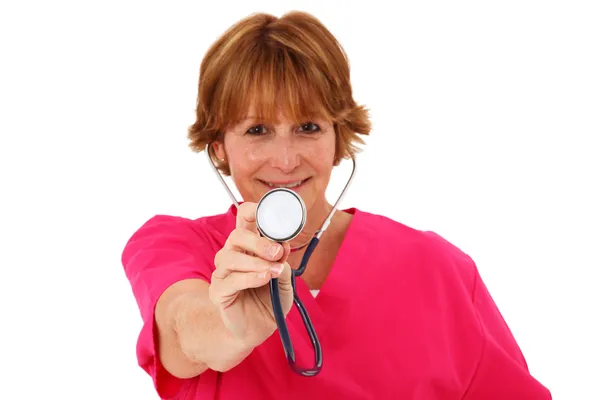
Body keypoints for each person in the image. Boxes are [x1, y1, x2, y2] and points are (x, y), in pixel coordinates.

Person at [121, 10, 552, 400]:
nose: (286, 160)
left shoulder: (439, 267)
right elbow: (182, 330)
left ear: (338, 138)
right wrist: (231, 329)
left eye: (308, 126)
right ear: (218, 149)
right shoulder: (173, 244)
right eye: (257, 130)